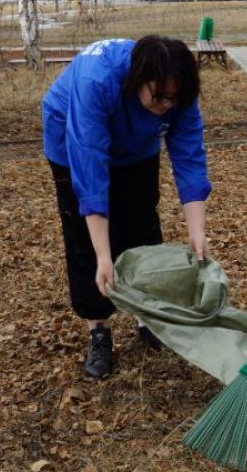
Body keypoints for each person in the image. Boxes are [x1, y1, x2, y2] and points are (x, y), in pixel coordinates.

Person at [43, 36, 211, 379]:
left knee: (141, 225)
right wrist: (104, 255)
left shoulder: (177, 88)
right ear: (138, 79)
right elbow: (90, 175)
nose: (167, 104)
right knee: (85, 243)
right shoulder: (97, 81)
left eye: (173, 99)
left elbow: (189, 156)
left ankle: (145, 316)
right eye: (160, 97)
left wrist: (197, 232)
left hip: (137, 147)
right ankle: (98, 331)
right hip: (70, 136)